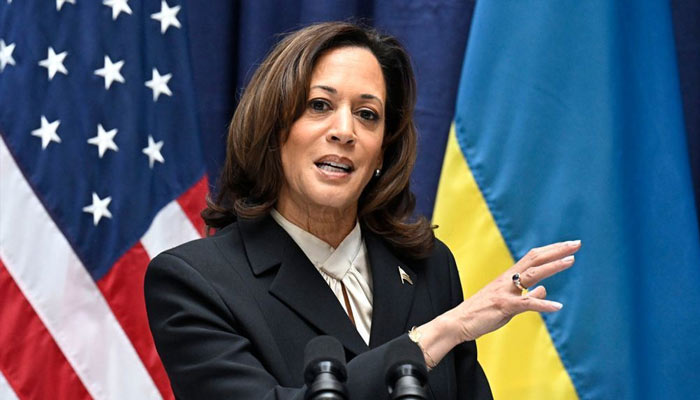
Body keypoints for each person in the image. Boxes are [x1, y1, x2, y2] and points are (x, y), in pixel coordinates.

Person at [144, 21, 580, 400]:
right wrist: (439, 334)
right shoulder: (195, 281)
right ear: (274, 129)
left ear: (382, 153)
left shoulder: (429, 267)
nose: (345, 131)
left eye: (367, 114)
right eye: (319, 106)